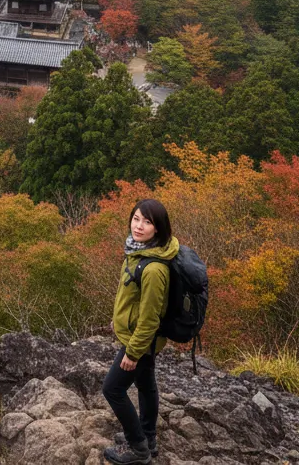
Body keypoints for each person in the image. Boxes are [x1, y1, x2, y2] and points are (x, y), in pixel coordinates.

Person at [102, 198, 179, 464]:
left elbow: (149, 319)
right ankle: (148, 436)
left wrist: (133, 352)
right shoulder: (139, 252)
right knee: (145, 385)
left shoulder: (154, 268)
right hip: (139, 336)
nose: (139, 226)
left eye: (147, 222)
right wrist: (118, 319)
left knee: (112, 389)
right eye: (136, 219)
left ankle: (138, 448)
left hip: (142, 341)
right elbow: (131, 297)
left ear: (158, 228)